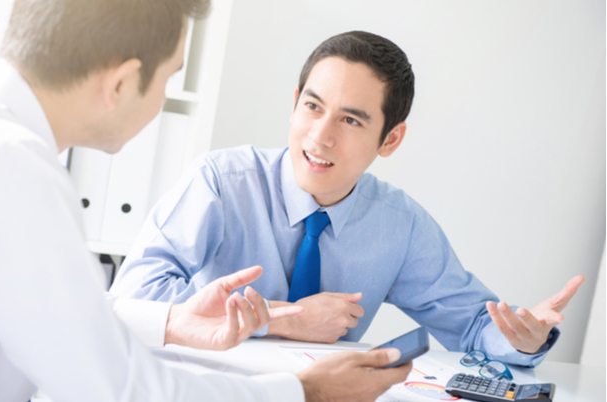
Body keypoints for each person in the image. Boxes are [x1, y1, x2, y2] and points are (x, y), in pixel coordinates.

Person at [0, 1, 413, 401]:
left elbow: (55, 313)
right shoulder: (13, 172)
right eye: (169, 77)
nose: (161, 99)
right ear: (122, 83)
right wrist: (306, 392)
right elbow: (123, 390)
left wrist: (174, 319)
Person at [110, 30, 585, 369]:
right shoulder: (221, 181)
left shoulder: (400, 225)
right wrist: (281, 320)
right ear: (295, 102)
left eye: (351, 120)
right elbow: (132, 297)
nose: (320, 136)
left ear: (390, 139)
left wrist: (522, 341)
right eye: (312, 106)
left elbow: (474, 327)